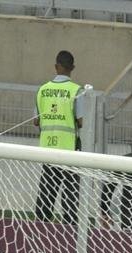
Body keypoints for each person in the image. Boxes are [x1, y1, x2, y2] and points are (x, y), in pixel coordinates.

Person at [33, 50, 82, 225]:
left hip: (47, 151)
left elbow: (36, 121)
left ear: (56, 67)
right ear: (73, 68)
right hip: (69, 150)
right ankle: (69, 233)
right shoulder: (76, 91)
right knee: (70, 198)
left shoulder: (43, 90)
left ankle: (40, 230)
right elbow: (81, 121)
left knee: (47, 194)